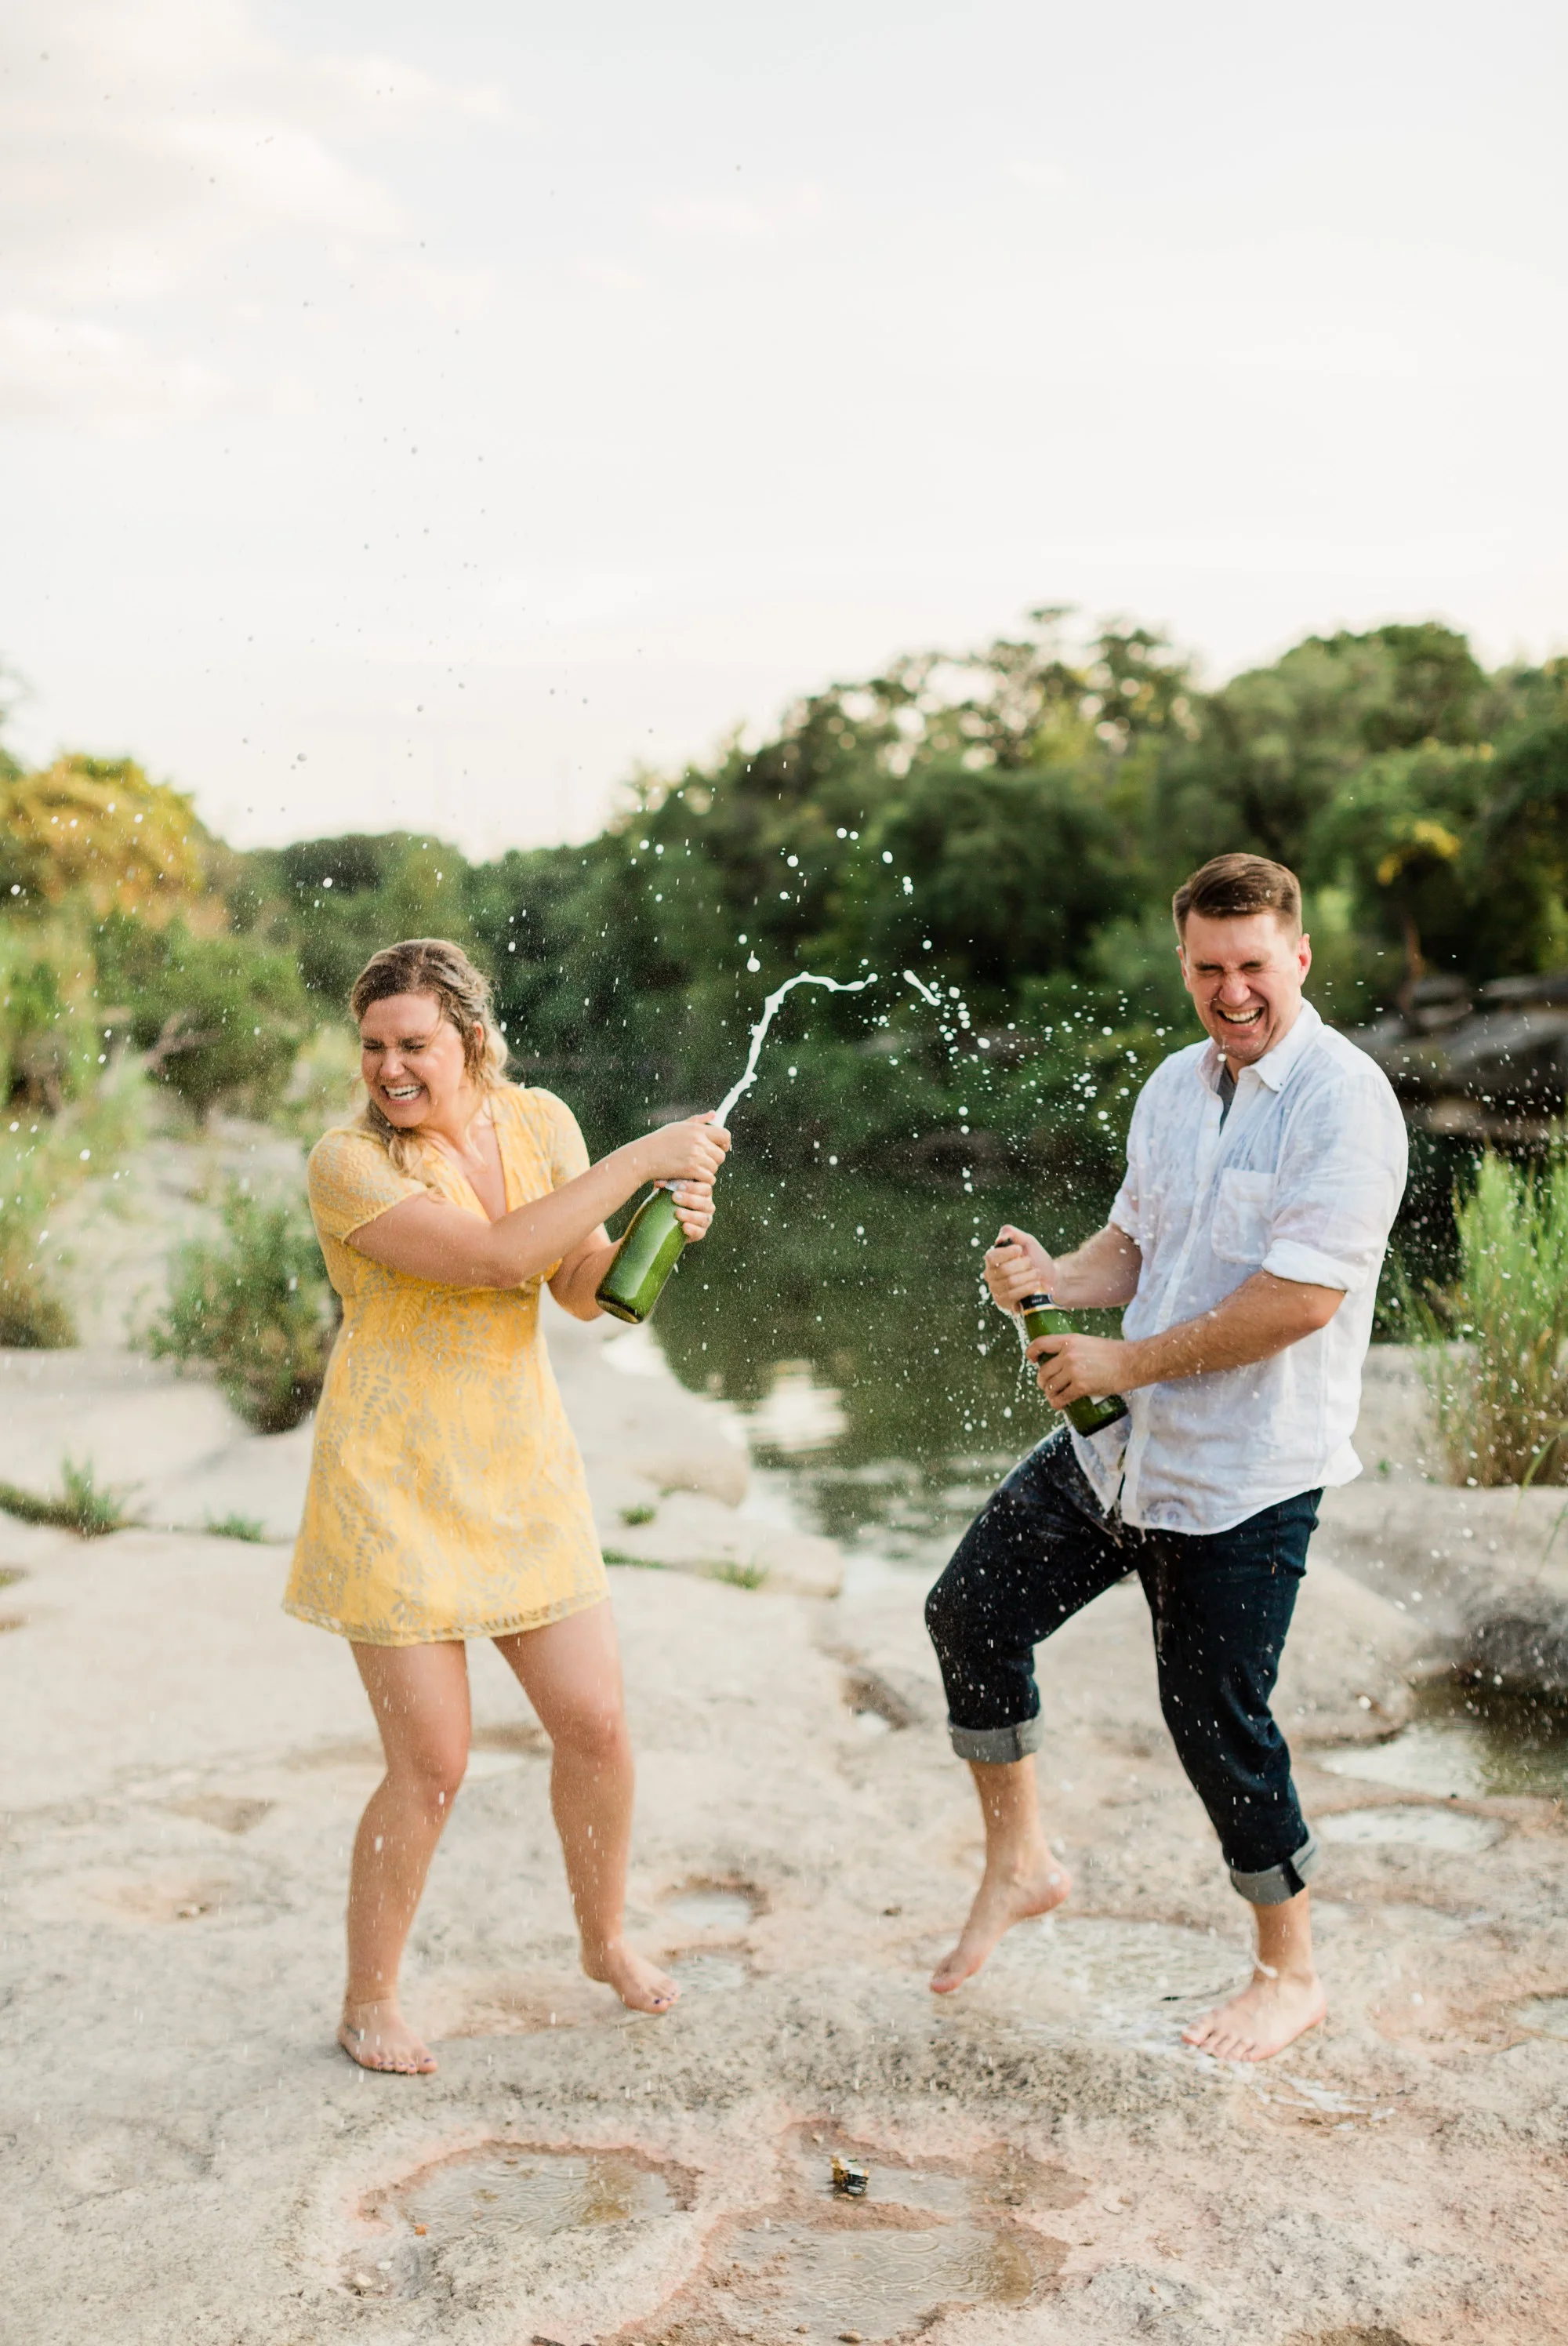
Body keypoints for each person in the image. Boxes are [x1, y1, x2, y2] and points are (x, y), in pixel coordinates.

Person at [924, 853, 1407, 2061]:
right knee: (970, 1614)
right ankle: (1023, 1861)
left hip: (1249, 1473)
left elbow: (1296, 1302)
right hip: (1124, 1452)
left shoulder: (1345, 1103)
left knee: (1214, 1717)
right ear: (1183, 960)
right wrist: (1047, 1282)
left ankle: (1289, 1973)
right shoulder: (1173, 1089)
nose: (1231, 991)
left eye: (1253, 966)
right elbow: (1129, 1254)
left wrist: (1121, 1364)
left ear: (1299, 956)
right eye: (1208, 968)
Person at [284, 937, 730, 2075]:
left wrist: (659, 1230)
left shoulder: (538, 1125)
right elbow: (487, 1261)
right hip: (390, 1483)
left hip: (519, 1466)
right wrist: (639, 1158)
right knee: (432, 1763)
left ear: (470, 1039)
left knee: (597, 1725)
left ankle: (605, 1941)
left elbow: (574, 1286)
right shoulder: (349, 1162)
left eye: (414, 1045)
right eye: (376, 1047)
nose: (390, 1069)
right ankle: (369, 1999)